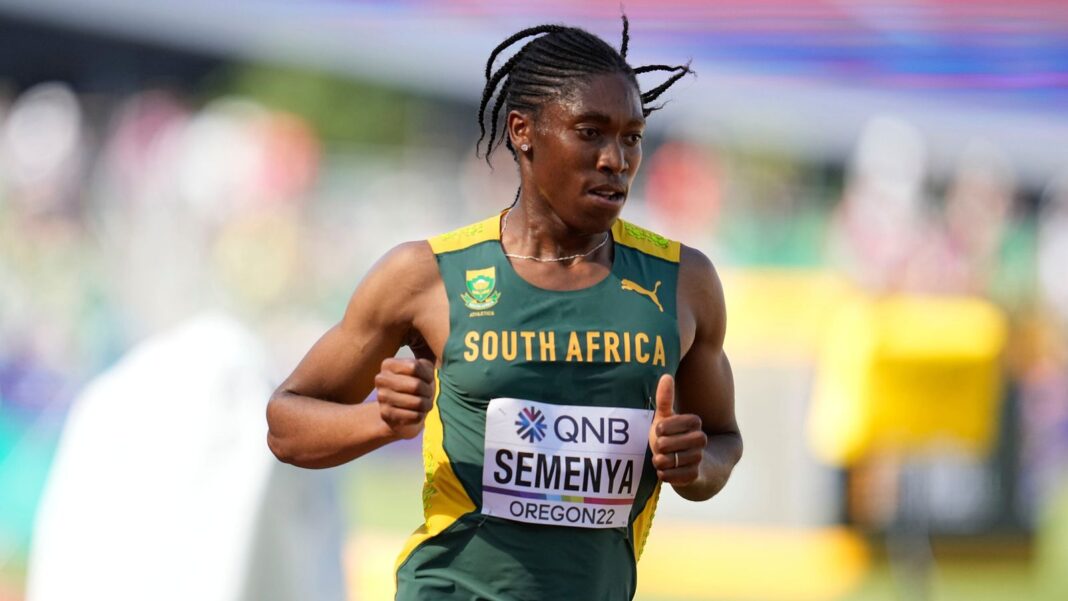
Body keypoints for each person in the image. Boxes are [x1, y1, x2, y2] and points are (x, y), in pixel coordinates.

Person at [266, 16, 742, 600]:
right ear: (523, 131)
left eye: (632, 137)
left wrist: (694, 466)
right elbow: (286, 425)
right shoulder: (425, 276)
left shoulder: (684, 282)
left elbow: (723, 440)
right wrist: (382, 421)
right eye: (590, 132)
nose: (616, 159)